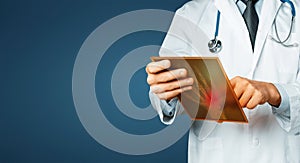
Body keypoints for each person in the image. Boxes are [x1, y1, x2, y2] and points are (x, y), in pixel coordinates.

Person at [146, 0, 300, 163]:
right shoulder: (191, 14)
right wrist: (167, 92)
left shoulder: (295, 11)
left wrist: (275, 93)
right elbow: (168, 89)